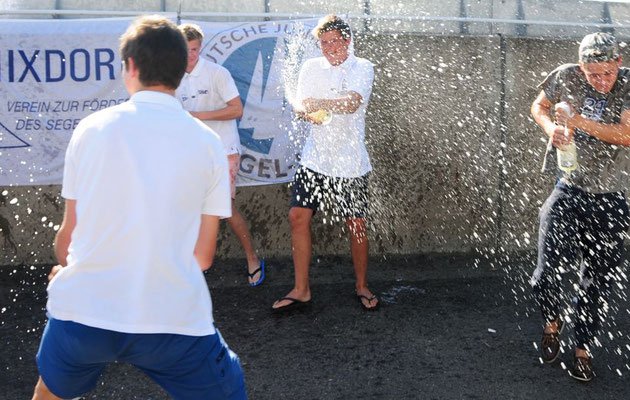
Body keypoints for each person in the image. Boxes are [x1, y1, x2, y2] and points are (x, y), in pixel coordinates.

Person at [32, 16, 246, 399]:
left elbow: (67, 242)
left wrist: (69, 270)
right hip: (172, 322)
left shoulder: (91, 129)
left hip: (81, 314)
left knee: (49, 391)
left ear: (130, 66)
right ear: (183, 70)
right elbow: (203, 257)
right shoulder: (206, 142)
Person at [528, 32, 630, 382]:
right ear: (580, 66)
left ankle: (582, 348)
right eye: (591, 73)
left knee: (596, 282)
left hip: (610, 198)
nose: (599, 80)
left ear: (619, 61)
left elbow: (627, 134)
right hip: (567, 188)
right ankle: (552, 322)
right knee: (545, 272)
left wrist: (577, 121)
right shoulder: (565, 74)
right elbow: (538, 106)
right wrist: (552, 127)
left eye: (606, 73)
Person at [271, 14, 379, 312]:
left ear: (347, 40)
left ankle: (361, 285)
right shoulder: (310, 67)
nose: (329, 47)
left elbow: (352, 103)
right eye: (324, 43)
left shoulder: (363, 67)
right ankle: (301, 288)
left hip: (351, 161)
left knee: (356, 224)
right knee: (297, 216)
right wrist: (304, 111)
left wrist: (319, 104)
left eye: (334, 41)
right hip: (315, 158)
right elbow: (304, 108)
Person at [176, 23, 265, 287]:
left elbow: (236, 110)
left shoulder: (217, 73)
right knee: (188, 209)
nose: (190, 55)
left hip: (222, 150)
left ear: (200, 47)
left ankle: (253, 259)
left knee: (224, 209)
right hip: (190, 154)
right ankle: (191, 266)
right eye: (185, 50)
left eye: (194, 50)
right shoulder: (171, 76)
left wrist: (198, 116)